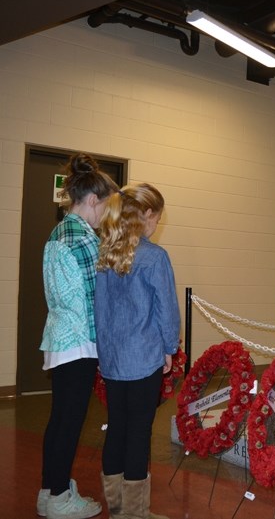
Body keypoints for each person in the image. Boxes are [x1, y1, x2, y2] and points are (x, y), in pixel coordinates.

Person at [38, 153, 117, 519]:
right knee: (68, 423)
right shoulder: (83, 239)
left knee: (60, 421)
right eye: (106, 207)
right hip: (79, 343)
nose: (107, 216)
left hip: (60, 340)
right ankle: (57, 498)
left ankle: (50, 489)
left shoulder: (60, 232)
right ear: (92, 201)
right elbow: (93, 300)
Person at [94, 183, 180, 519]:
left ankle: (117, 509)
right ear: (145, 215)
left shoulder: (106, 254)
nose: (157, 224)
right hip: (144, 357)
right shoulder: (154, 257)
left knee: (117, 426)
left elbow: (99, 311)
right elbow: (167, 310)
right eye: (157, 217)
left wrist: (104, 353)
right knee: (139, 431)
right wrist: (170, 347)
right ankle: (135, 513)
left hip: (113, 359)